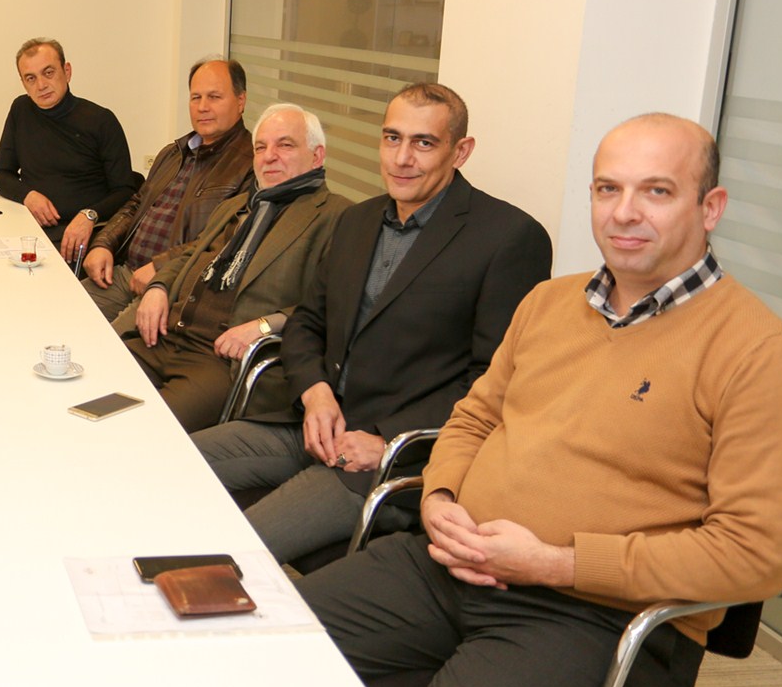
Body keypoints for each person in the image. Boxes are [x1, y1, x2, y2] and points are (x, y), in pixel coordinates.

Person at [299, 113, 782, 687]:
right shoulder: (549, 304)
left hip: (595, 621)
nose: (625, 211)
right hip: (450, 562)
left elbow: (755, 557)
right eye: (608, 188)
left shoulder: (765, 359)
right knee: (266, 645)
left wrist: (554, 562)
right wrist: (441, 498)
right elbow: (473, 417)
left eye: (657, 191)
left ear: (710, 207)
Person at [192, 83, 551, 565]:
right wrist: (315, 393)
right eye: (392, 138)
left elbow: (494, 381)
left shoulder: (507, 238)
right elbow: (307, 321)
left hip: (386, 456)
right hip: (310, 424)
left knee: (230, 554)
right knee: (169, 467)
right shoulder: (356, 221)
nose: (402, 158)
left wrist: (386, 439)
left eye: (424, 143)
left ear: (460, 151)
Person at [118, 103, 349, 433]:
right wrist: (158, 288)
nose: (269, 157)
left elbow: (332, 307)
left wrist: (265, 326)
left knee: (143, 430)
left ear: (317, 156)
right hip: (165, 337)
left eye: (285, 145)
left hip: (219, 361)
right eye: (261, 147)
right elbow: (192, 254)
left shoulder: (336, 217)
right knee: (90, 389)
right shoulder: (239, 206)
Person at [83, 57, 254, 318]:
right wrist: (103, 244)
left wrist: (161, 266)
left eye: (214, 97)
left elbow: (226, 240)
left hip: (174, 288)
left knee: (106, 340)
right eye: (195, 97)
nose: (203, 107)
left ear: (241, 101)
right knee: (60, 312)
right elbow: (136, 205)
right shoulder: (174, 153)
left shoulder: (250, 164)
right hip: (126, 273)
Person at [0, 37, 140, 262]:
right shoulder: (20, 110)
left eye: (48, 73)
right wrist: (28, 196)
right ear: (23, 83)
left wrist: (90, 215)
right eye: (31, 78)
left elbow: (125, 190)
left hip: (83, 232)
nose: (41, 85)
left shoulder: (101, 120)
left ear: (67, 71)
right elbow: (1, 175)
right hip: (32, 229)